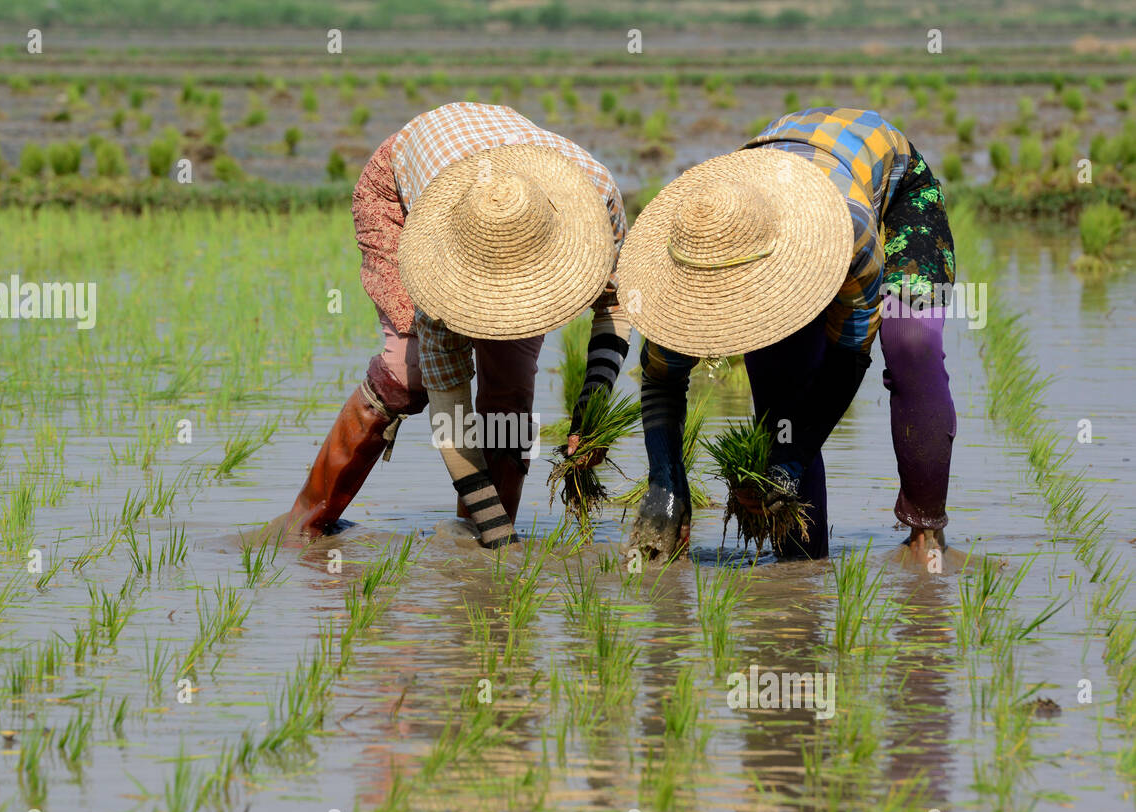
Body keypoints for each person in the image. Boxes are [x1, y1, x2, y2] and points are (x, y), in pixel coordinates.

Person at [282, 102, 630, 548]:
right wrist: (502, 539)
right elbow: (452, 423)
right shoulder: (439, 268)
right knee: (407, 374)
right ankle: (303, 527)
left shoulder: (596, 198)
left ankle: (479, 535)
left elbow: (615, 305)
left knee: (511, 391)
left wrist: (591, 410)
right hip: (407, 184)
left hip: (510, 191)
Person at [619, 108, 957, 561]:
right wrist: (665, 481)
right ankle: (801, 564)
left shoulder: (851, 228)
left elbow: (848, 357)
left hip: (886, 187)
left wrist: (790, 461)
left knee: (911, 342)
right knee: (781, 392)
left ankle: (926, 535)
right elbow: (660, 378)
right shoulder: (683, 270)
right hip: (769, 185)